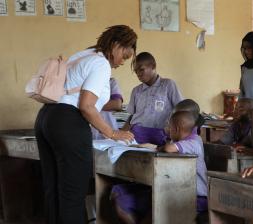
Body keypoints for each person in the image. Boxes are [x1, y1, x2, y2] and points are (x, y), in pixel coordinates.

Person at [34, 25, 137, 224]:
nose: (123, 62)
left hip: (46, 118)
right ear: (116, 45)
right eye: (125, 55)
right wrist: (113, 133)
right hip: (68, 123)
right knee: (72, 193)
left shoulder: (82, 55)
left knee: (53, 188)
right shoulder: (101, 64)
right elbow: (86, 106)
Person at [123, 52, 183, 145]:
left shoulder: (168, 85)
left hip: (161, 136)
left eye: (141, 69)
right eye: (136, 71)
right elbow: (132, 116)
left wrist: (173, 132)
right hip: (138, 135)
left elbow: (181, 110)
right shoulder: (136, 91)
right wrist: (122, 133)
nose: (138, 74)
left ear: (153, 66)